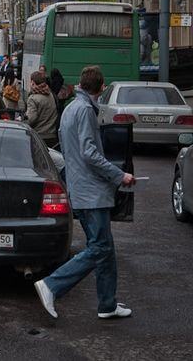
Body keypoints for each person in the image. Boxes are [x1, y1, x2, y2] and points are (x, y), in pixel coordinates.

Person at [34, 65, 136, 320]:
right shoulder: (86, 111)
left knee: (105, 249)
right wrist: (119, 175)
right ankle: (52, 285)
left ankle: (107, 304)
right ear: (101, 88)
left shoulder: (70, 108)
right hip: (92, 192)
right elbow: (90, 153)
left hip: (80, 188)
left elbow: (68, 148)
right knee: (100, 248)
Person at [25, 71, 58, 147]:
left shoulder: (32, 98)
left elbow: (31, 119)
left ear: (33, 82)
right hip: (52, 135)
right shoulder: (51, 95)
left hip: (39, 135)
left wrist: (22, 121)